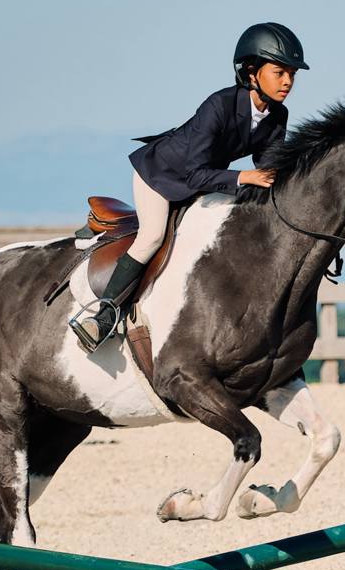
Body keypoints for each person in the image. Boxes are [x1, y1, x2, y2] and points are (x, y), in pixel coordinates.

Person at [72, 22, 309, 352]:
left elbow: (267, 170)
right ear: (252, 72)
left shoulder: (277, 115)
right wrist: (243, 178)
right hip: (163, 175)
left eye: (292, 74)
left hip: (205, 179)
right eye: (280, 72)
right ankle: (101, 315)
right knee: (152, 236)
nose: (287, 82)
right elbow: (198, 175)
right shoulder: (219, 105)